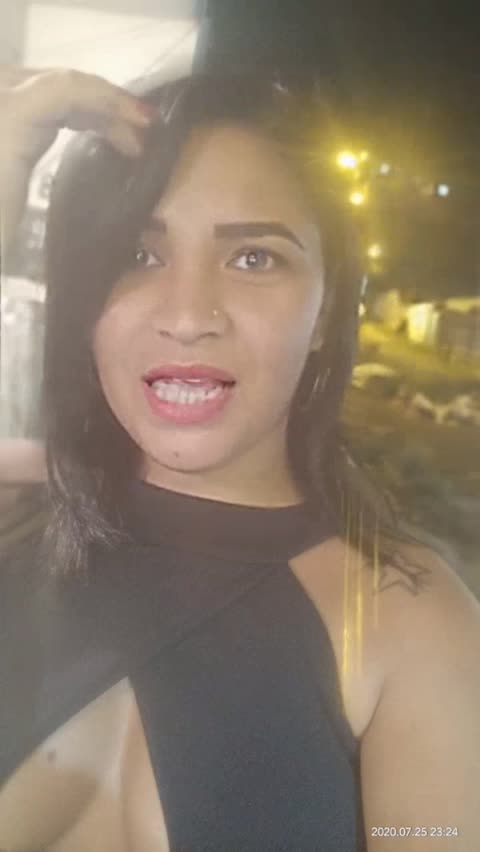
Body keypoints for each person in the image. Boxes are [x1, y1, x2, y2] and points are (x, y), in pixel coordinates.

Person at [0, 67, 479, 852]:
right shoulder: (17, 532)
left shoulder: (410, 625)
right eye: (137, 253)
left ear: (328, 309)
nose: (190, 316)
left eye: (254, 258)